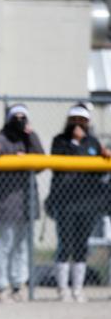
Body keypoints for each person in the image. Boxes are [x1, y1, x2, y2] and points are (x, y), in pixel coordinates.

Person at [46, 104, 111, 302]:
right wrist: (75, 142)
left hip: (88, 201)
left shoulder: (92, 142)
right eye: (74, 120)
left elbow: (99, 172)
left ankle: (78, 289)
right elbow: (59, 166)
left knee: (82, 246)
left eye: (81, 120)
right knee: (65, 245)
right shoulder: (60, 141)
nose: (77, 124)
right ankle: (63, 289)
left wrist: (104, 156)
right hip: (65, 201)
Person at [0, 104, 44, 302]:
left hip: (27, 204)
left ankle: (19, 286)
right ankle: (1, 287)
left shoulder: (29, 140)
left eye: (23, 117)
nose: (20, 120)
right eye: (16, 117)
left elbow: (41, 162)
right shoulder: (1, 138)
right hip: (6, 204)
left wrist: (32, 136)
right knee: (3, 247)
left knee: (22, 247)